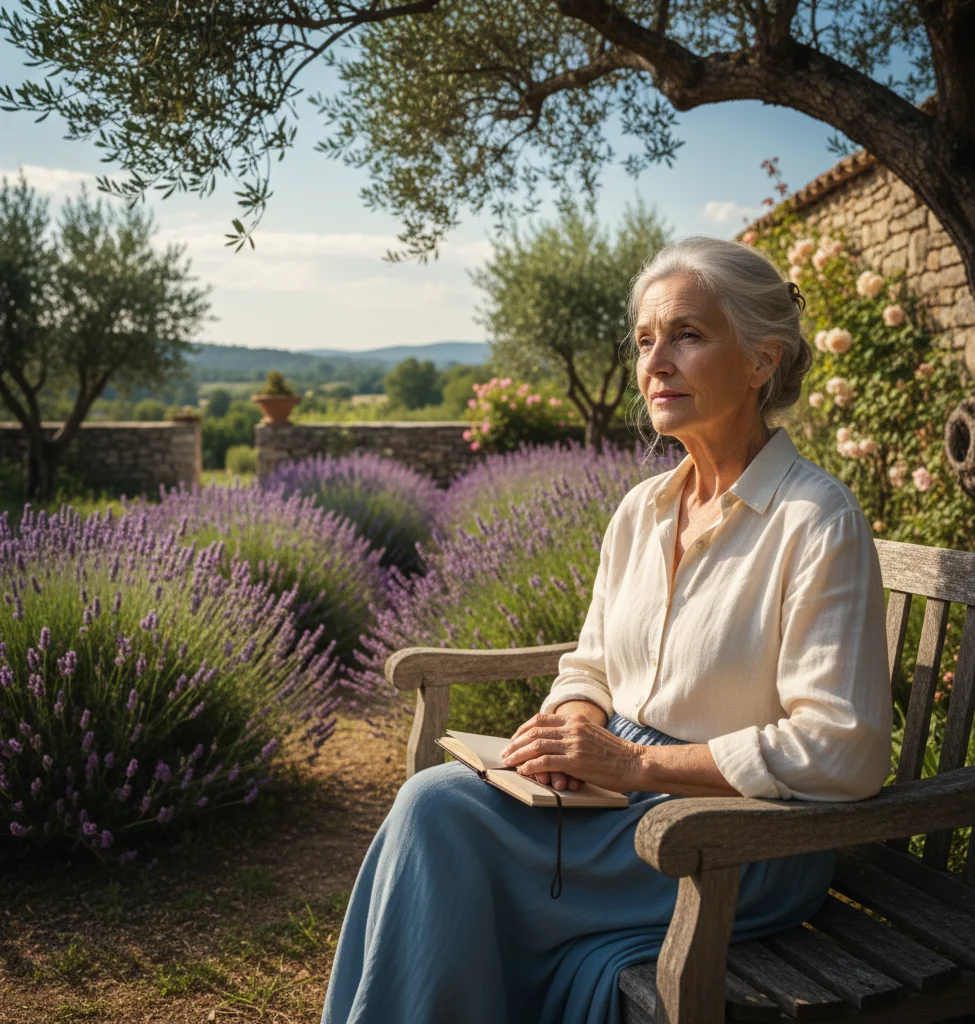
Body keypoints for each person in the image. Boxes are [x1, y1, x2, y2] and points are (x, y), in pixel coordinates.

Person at [320, 236, 893, 1024]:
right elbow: (588, 663)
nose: (656, 363)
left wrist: (629, 761)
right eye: (645, 341)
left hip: (737, 841)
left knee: (438, 818)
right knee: (438, 800)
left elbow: (844, 748)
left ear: (762, 361)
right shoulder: (642, 510)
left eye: (687, 335)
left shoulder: (816, 520)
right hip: (614, 804)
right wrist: (572, 733)